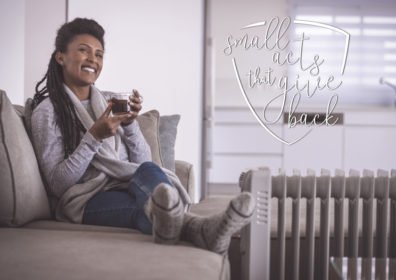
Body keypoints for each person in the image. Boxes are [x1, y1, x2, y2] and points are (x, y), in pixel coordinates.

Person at [31, 17, 255, 255]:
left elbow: (140, 163)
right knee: (146, 208)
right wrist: (94, 137)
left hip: (126, 184)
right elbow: (57, 184)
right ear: (60, 57)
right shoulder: (47, 112)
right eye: (83, 51)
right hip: (84, 199)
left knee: (149, 182)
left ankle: (194, 230)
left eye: (99, 54)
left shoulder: (108, 101)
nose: (92, 60)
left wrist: (130, 125)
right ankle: (201, 228)